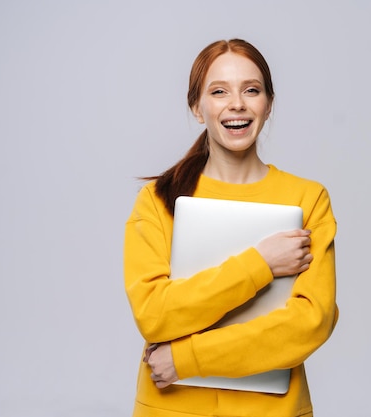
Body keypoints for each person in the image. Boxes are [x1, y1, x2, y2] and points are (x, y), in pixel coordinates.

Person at [123, 38, 338, 417]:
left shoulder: (307, 199)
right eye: (218, 91)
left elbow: (309, 323)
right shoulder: (158, 200)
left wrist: (187, 357)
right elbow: (154, 314)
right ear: (196, 106)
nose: (236, 103)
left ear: (268, 104)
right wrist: (260, 264)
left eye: (251, 90)